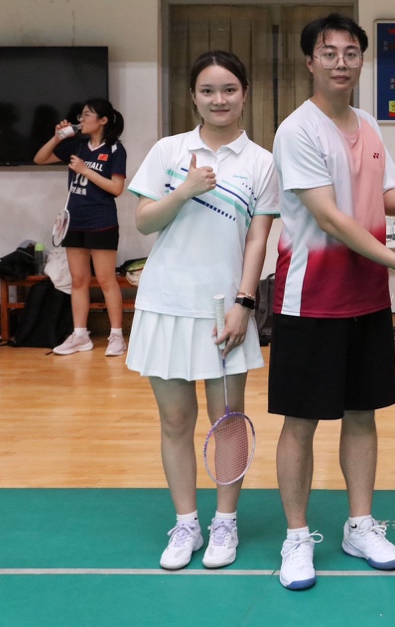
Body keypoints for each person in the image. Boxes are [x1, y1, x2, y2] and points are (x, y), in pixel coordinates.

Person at [270, 13, 395, 591]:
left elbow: (385, 195)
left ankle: (360, 526)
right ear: (310, 61)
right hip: (310, 299)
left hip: (366, 299)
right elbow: (330, 216)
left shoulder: (367, 124)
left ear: (361, 60)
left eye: (351, 53)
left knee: (362, 414)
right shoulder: (298, 130)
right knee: (301, 421)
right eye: (329, 53)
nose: (341, 62)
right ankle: (297, 536)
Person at [125, 51, 279, 570]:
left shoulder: (260, 161)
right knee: (175, 420)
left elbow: (257, 239)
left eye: (229, 89)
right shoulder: (169, 151)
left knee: (228, 421)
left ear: (244, 94)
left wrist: (244, 302)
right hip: (166, 302)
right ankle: (186, 522)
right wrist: (186, 190)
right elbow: (145, 221)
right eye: (208, 90)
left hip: (224, 309)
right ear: (193, 96)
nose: (219, 99)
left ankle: (225, 522)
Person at [34, 97, 128, 356]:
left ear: (103, 120)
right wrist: (56, 138)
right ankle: (80, 335)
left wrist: (86, 170)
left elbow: (117, 188)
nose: (81, 119)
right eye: (80, 115)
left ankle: (116, 336)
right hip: (73, 221)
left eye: (86, 115)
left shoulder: (115, 149)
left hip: (102, 221)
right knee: (78, 280)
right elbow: (40, 158)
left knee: (106, 280)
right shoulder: (76, 145)